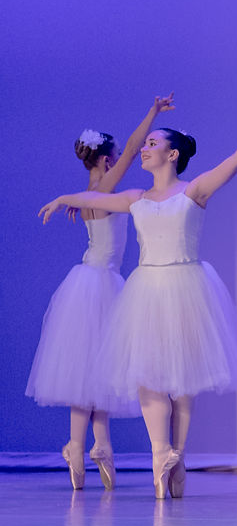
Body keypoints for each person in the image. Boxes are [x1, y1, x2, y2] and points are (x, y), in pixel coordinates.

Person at [39, 117, 237, 498]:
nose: (144, 149)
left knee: (182, 383)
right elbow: (95, 200)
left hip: (186, 288)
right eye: (143, 143)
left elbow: (234, 161)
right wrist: (64, 198)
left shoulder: (194, 191)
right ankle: (160, 453)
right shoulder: (136, 198)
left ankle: (177, 457)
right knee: (149, 376)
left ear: (172, 154)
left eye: (152, 143)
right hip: (147, 290)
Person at [27, 93, 175, 490]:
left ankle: (87, 447)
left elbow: (96, 194)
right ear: (107, 160)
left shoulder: (93, 190)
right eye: (117, 157)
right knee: (98, 369)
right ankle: (94, 447)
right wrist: (153, 112)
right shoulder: (107, 186)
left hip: (89, 280)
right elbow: (131, 147)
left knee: (90, 372)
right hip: (103, 282)